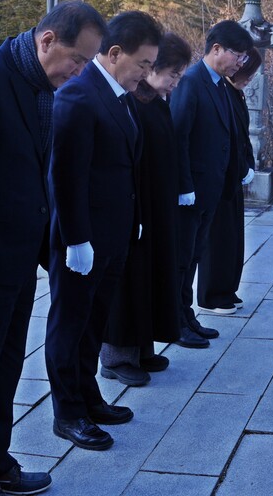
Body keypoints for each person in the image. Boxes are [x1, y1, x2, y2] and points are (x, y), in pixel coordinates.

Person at [0, 0, 106, 496]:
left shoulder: (43, 85)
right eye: (78, 60)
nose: (80, 72)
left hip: (16, 260)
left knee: (4, 368)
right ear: (47, 40)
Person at [45, 11, 162, 451]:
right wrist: (75, 238)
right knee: (69, 324)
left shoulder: (118, 96)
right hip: (84, 240)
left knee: (93, 324)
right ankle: (67, 412)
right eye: (143, 65)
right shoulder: (78, 95)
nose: (147, 74)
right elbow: (66, 175)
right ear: (114, 54)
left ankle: (88, 395)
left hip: (113, 237)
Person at [101, 32, 192, 380]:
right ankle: (117, 356)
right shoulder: (132, 104)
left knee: (152, 275)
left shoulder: (154, 102)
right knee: (129, 280)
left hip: (158, 205)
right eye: (172, 74)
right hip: (136, 205)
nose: (174, 82)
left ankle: (141, 348)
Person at [170, 20, 254, 347]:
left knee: (192, 257)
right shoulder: (191, 82)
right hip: (191, 193)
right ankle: (176, 321)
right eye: (237, 54)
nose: (241, 62)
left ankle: (187, 315)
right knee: (182, 259)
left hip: (211, 191)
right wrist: (183, 186)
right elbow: (178, 136)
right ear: (216, 48)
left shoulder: (219, 83)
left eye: (245, 57)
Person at [198, 47, 260, 314]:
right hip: (219, 174)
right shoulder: (217, 90)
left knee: (233, 236)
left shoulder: (235, 92)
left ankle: (227, 289)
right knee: (217, 237)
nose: (247, 76)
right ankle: (212, 294)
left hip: (233, 174)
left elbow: (242, 136)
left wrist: (247, 165)